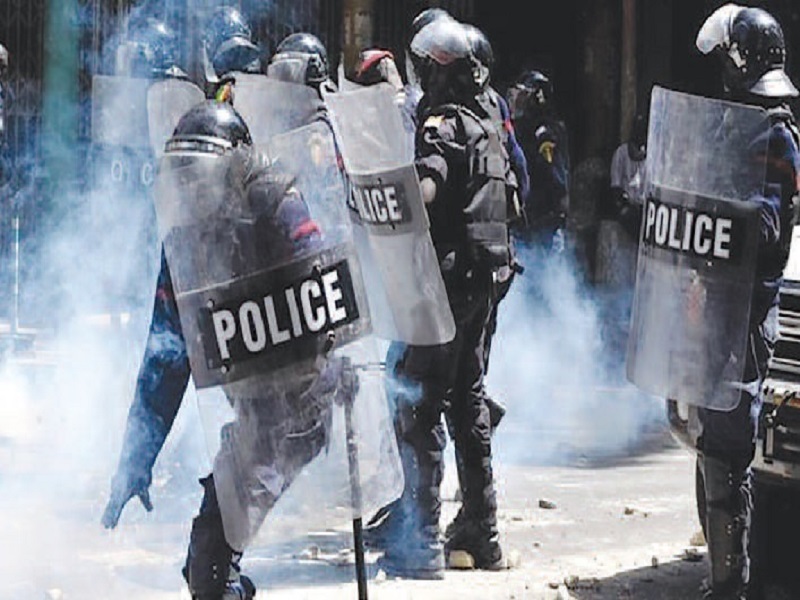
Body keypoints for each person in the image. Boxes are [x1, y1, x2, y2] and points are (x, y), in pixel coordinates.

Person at [101, 99, 349, 600]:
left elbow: (326, 293)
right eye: (182, 175)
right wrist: (136, 459)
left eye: (200, 175)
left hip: (298, 403)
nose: (190, 189)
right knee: (208, 568)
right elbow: (164, 360)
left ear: (234, 169)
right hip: (254, 407)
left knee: (210, 569)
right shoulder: (183, 244)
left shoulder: (276, 202)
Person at [375, 17, 515, 577]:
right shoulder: (488, 125)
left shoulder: (440, 125)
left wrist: (403, 190)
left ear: (435, 68)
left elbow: (429, 181)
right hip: (485, 284)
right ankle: (483, 533)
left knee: (419, 404)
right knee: (468, 404)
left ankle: (422, 539)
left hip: (449, 284)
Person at [692, 5, 800, 599]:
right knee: (713, 449)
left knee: (731, 457)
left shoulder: (776, 136)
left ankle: (731, 587)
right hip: (716, 313)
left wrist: (709, 208)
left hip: (746, 319)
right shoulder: (740, 128)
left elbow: (764, 228)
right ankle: (722, 579)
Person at [507, 69, 570, 253]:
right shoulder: (520, 130)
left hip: (544, 227)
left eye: (523, 96)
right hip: (525, 224)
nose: (517, 102)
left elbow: (556, 182)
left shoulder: (547, 132)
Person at [608, 111, 647, 240]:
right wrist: (624, 203)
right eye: (638, 129)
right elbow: (615, 187)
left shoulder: (653, 156)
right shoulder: (621, 153)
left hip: (645, 208)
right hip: (628, 207)